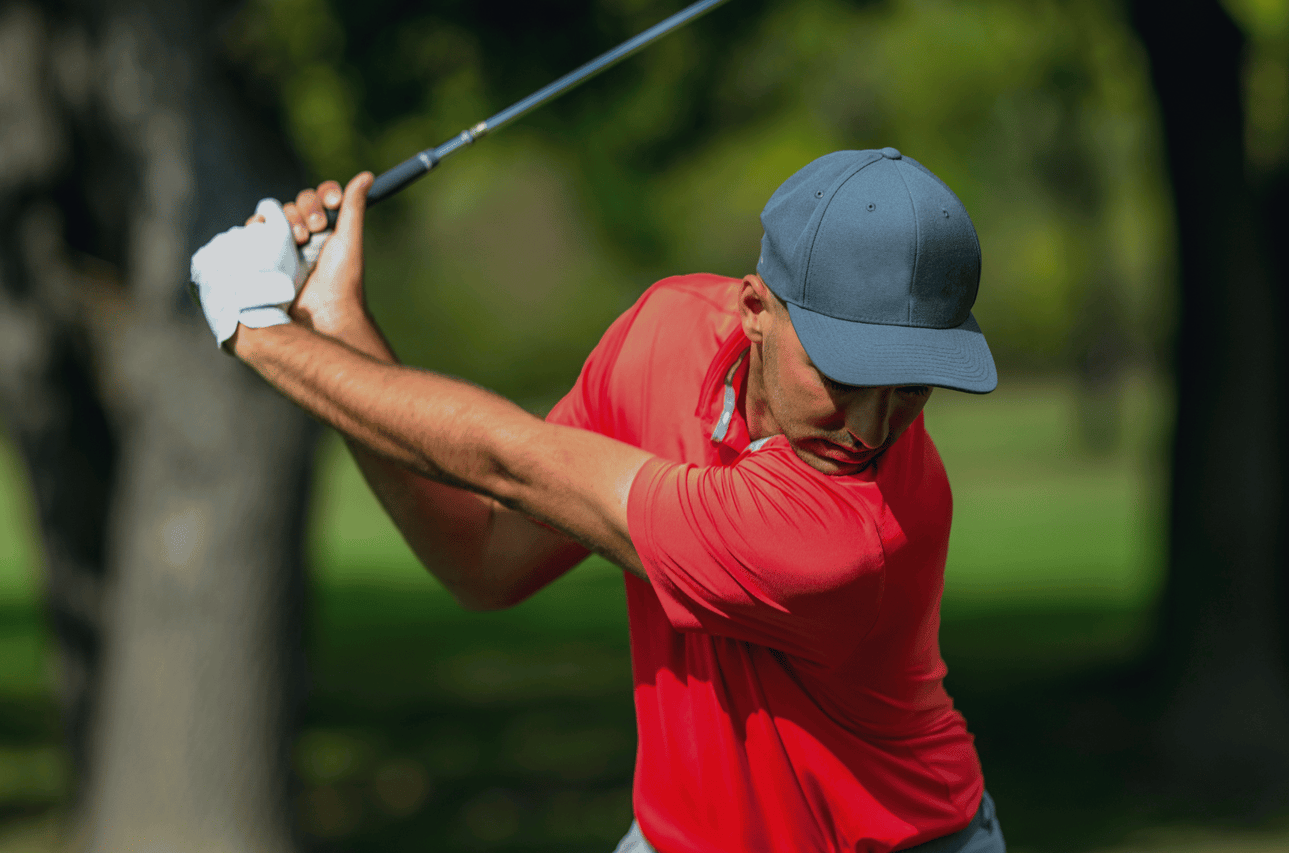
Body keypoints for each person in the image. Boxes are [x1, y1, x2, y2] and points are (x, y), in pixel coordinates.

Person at [190, 147, 1006, 853]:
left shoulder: (846, 537)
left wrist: (259, 329)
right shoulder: (664, 334)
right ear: (756, 309)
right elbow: (484, 558)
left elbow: (514, 463)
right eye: (844, 372)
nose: (871, 425)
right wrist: (333, 318)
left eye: (911, 385)